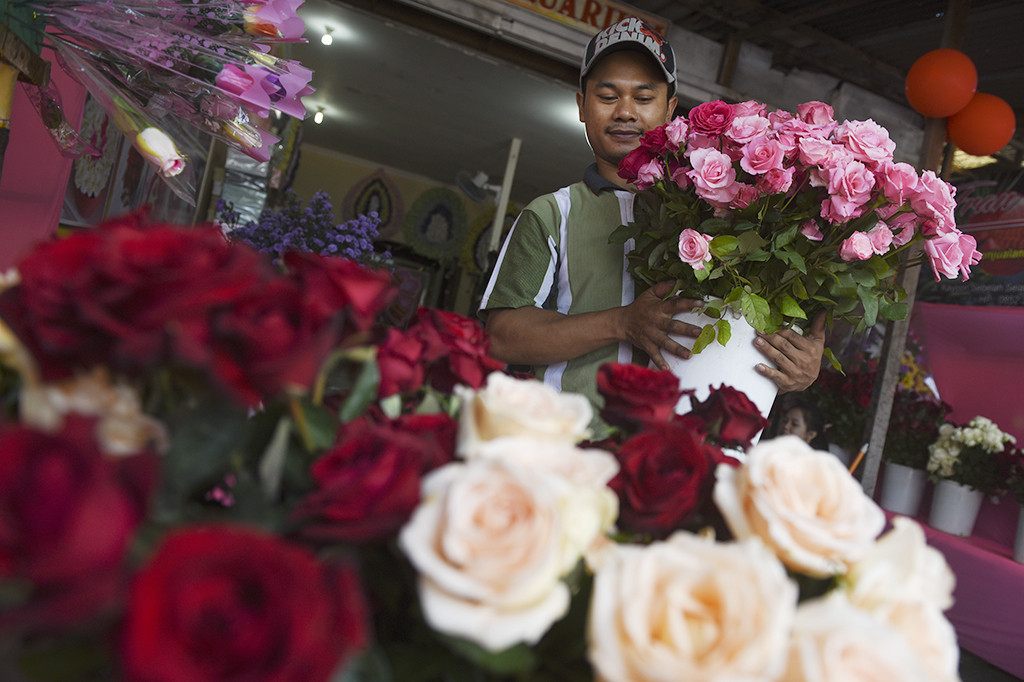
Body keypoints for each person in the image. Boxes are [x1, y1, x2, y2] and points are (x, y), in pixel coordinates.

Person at [479, 17, 825, 415]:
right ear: (581, 106)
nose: (625, 112)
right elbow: (501, 337)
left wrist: (800, 365)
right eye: (608, 96)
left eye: (643, 98)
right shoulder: (553, 212)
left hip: (683, 458)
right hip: (572, 451)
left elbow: (755, 340)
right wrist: (622, 323)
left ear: (670, 109)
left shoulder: (727, 211)